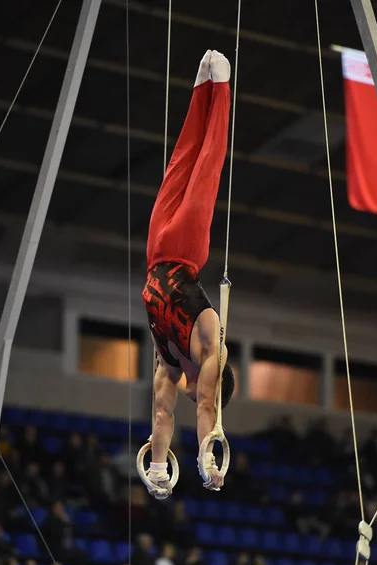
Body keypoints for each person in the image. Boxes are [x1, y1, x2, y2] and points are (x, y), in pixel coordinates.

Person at [142, 49, 235, 495]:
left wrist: (160, 470)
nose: (200, 389)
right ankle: (218, 88)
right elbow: (204, 411)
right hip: (180, 257)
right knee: (207, 167)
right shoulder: (208, 350)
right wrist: (207, 459)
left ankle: (204, 87)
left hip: (156, 251)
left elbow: (162, 413)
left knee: (183, 162)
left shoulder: (169, 362)